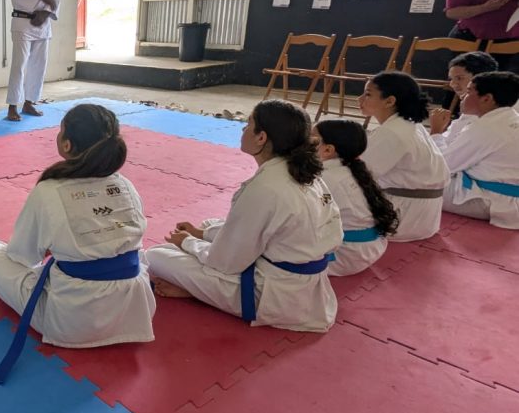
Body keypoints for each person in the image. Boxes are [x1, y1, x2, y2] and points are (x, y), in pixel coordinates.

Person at [0, 104, 155, 382]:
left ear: (66, 144)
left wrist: (56, 248)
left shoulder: (49, 190)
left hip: (73, 320)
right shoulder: (125, 184)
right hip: (135, 310)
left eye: (61, 131)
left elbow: (23, 256)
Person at [144, 100, 342, 333]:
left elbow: (226, 262)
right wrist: (201, 234)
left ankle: (199, 293)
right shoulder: (309, 174)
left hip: (271, 296)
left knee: (156, 255)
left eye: (249, 124)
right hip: (306, 284)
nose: (243, 129)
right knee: (210, 225)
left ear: (261, 138)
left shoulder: (265, 187)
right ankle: (202, 279)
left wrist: (188, 242)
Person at [359, 72, 449, 241]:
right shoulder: (411, 125)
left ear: (389, 101)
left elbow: (359, 176)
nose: (360, 99)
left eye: (368, 94)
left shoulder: (392, 132)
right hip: (424, 216)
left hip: (402, 217)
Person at [314, 119, 400, 276]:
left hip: (346, 255)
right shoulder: (351, 169)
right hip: (371, 247)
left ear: (327, 150)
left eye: (311, 140)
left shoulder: (326, 179)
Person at [440, 71, 519, 229]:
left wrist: (435, 132)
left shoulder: (488, 127)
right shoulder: (510, 118)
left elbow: (442, 166)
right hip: (507, 199)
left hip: (488, 200)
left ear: (486, 99)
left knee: (408, 181)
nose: (463, 96)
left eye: (469, 92)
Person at [5, 0, 62, 122]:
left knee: (39, 65)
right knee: (19, 65)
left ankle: (29, 102)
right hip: (23, 19)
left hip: (43, 21)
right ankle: (13, 106)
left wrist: (46, 12)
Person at [429, 51, 499, 146]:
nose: (452, 84)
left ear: (480, 79)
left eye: (459, 78)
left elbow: (446, 154)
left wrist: (436, 131)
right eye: (451, 79)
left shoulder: (481, 112)